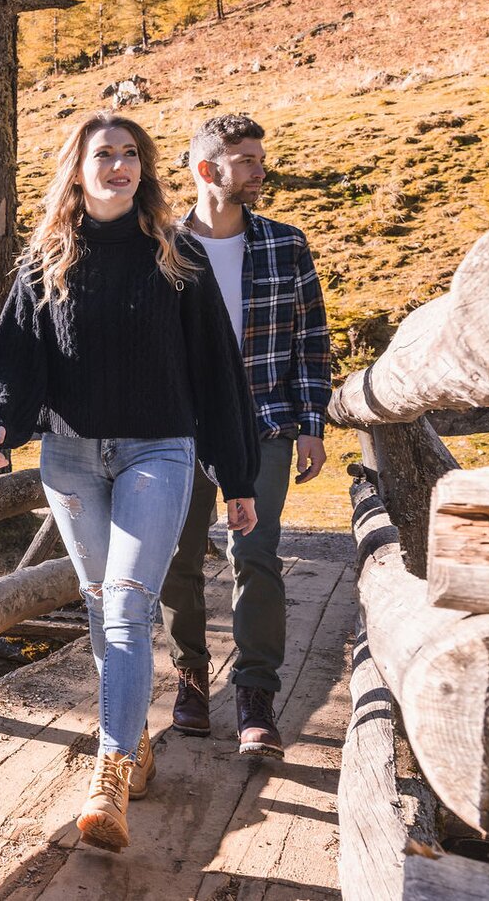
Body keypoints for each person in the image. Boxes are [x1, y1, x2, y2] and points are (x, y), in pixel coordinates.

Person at [0, 111, 260, 853]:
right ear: (78, 168)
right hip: (68, 460)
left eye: (131, 154)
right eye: (105, 154)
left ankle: (110, 772)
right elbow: (13, 360)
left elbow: (216, 375)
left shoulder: (177, 258)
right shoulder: (47, 261)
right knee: (102, 610)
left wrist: (236, 475)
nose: (119, 165)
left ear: (146, 170)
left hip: (157, 454)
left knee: (127, 608)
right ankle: (136, 740)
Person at [160, 114, 331, 761]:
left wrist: (311, 424)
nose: (262, 170)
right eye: (248, 161)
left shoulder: (287, 246)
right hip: (179, 435)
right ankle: (190, 678)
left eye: (262, 158)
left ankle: (255, 696)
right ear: (209, 171)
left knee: (254, 555)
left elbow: (312, 340)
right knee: (177, 560)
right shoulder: (162, 250)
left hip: (264, 425)